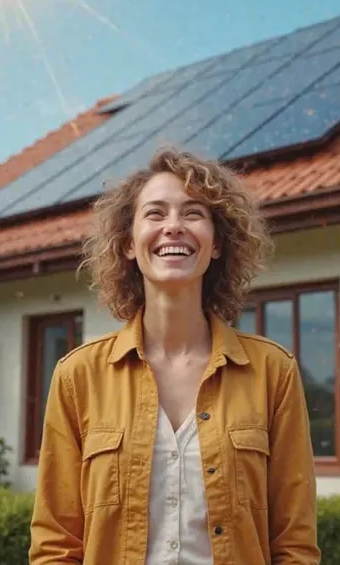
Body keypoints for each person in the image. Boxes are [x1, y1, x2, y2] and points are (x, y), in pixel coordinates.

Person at [29, 147, 321, 565]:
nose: (173, 227)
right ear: (128, 244)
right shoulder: (78, 376)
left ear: (217, 244)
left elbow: (295, 544)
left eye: (193, 214)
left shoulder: (273, 372)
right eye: (155, 213)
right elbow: (55, 546)